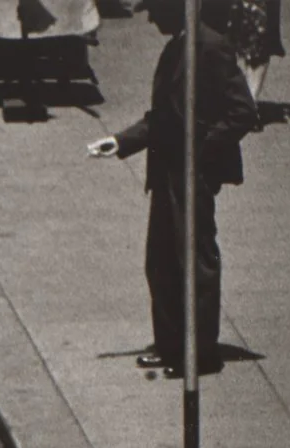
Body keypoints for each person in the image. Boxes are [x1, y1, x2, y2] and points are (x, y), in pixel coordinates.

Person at [87, 0, 257, 372]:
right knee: (162, 261)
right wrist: (121, 141)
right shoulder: (178, 46)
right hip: (167, 171)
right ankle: (170, 343)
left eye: (155, 9)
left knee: (194, 262)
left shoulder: (210, 47)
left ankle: (198, 352)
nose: (150, 18)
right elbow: (163, 117)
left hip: (190, 173)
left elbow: (242, 111)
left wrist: (201, 151)